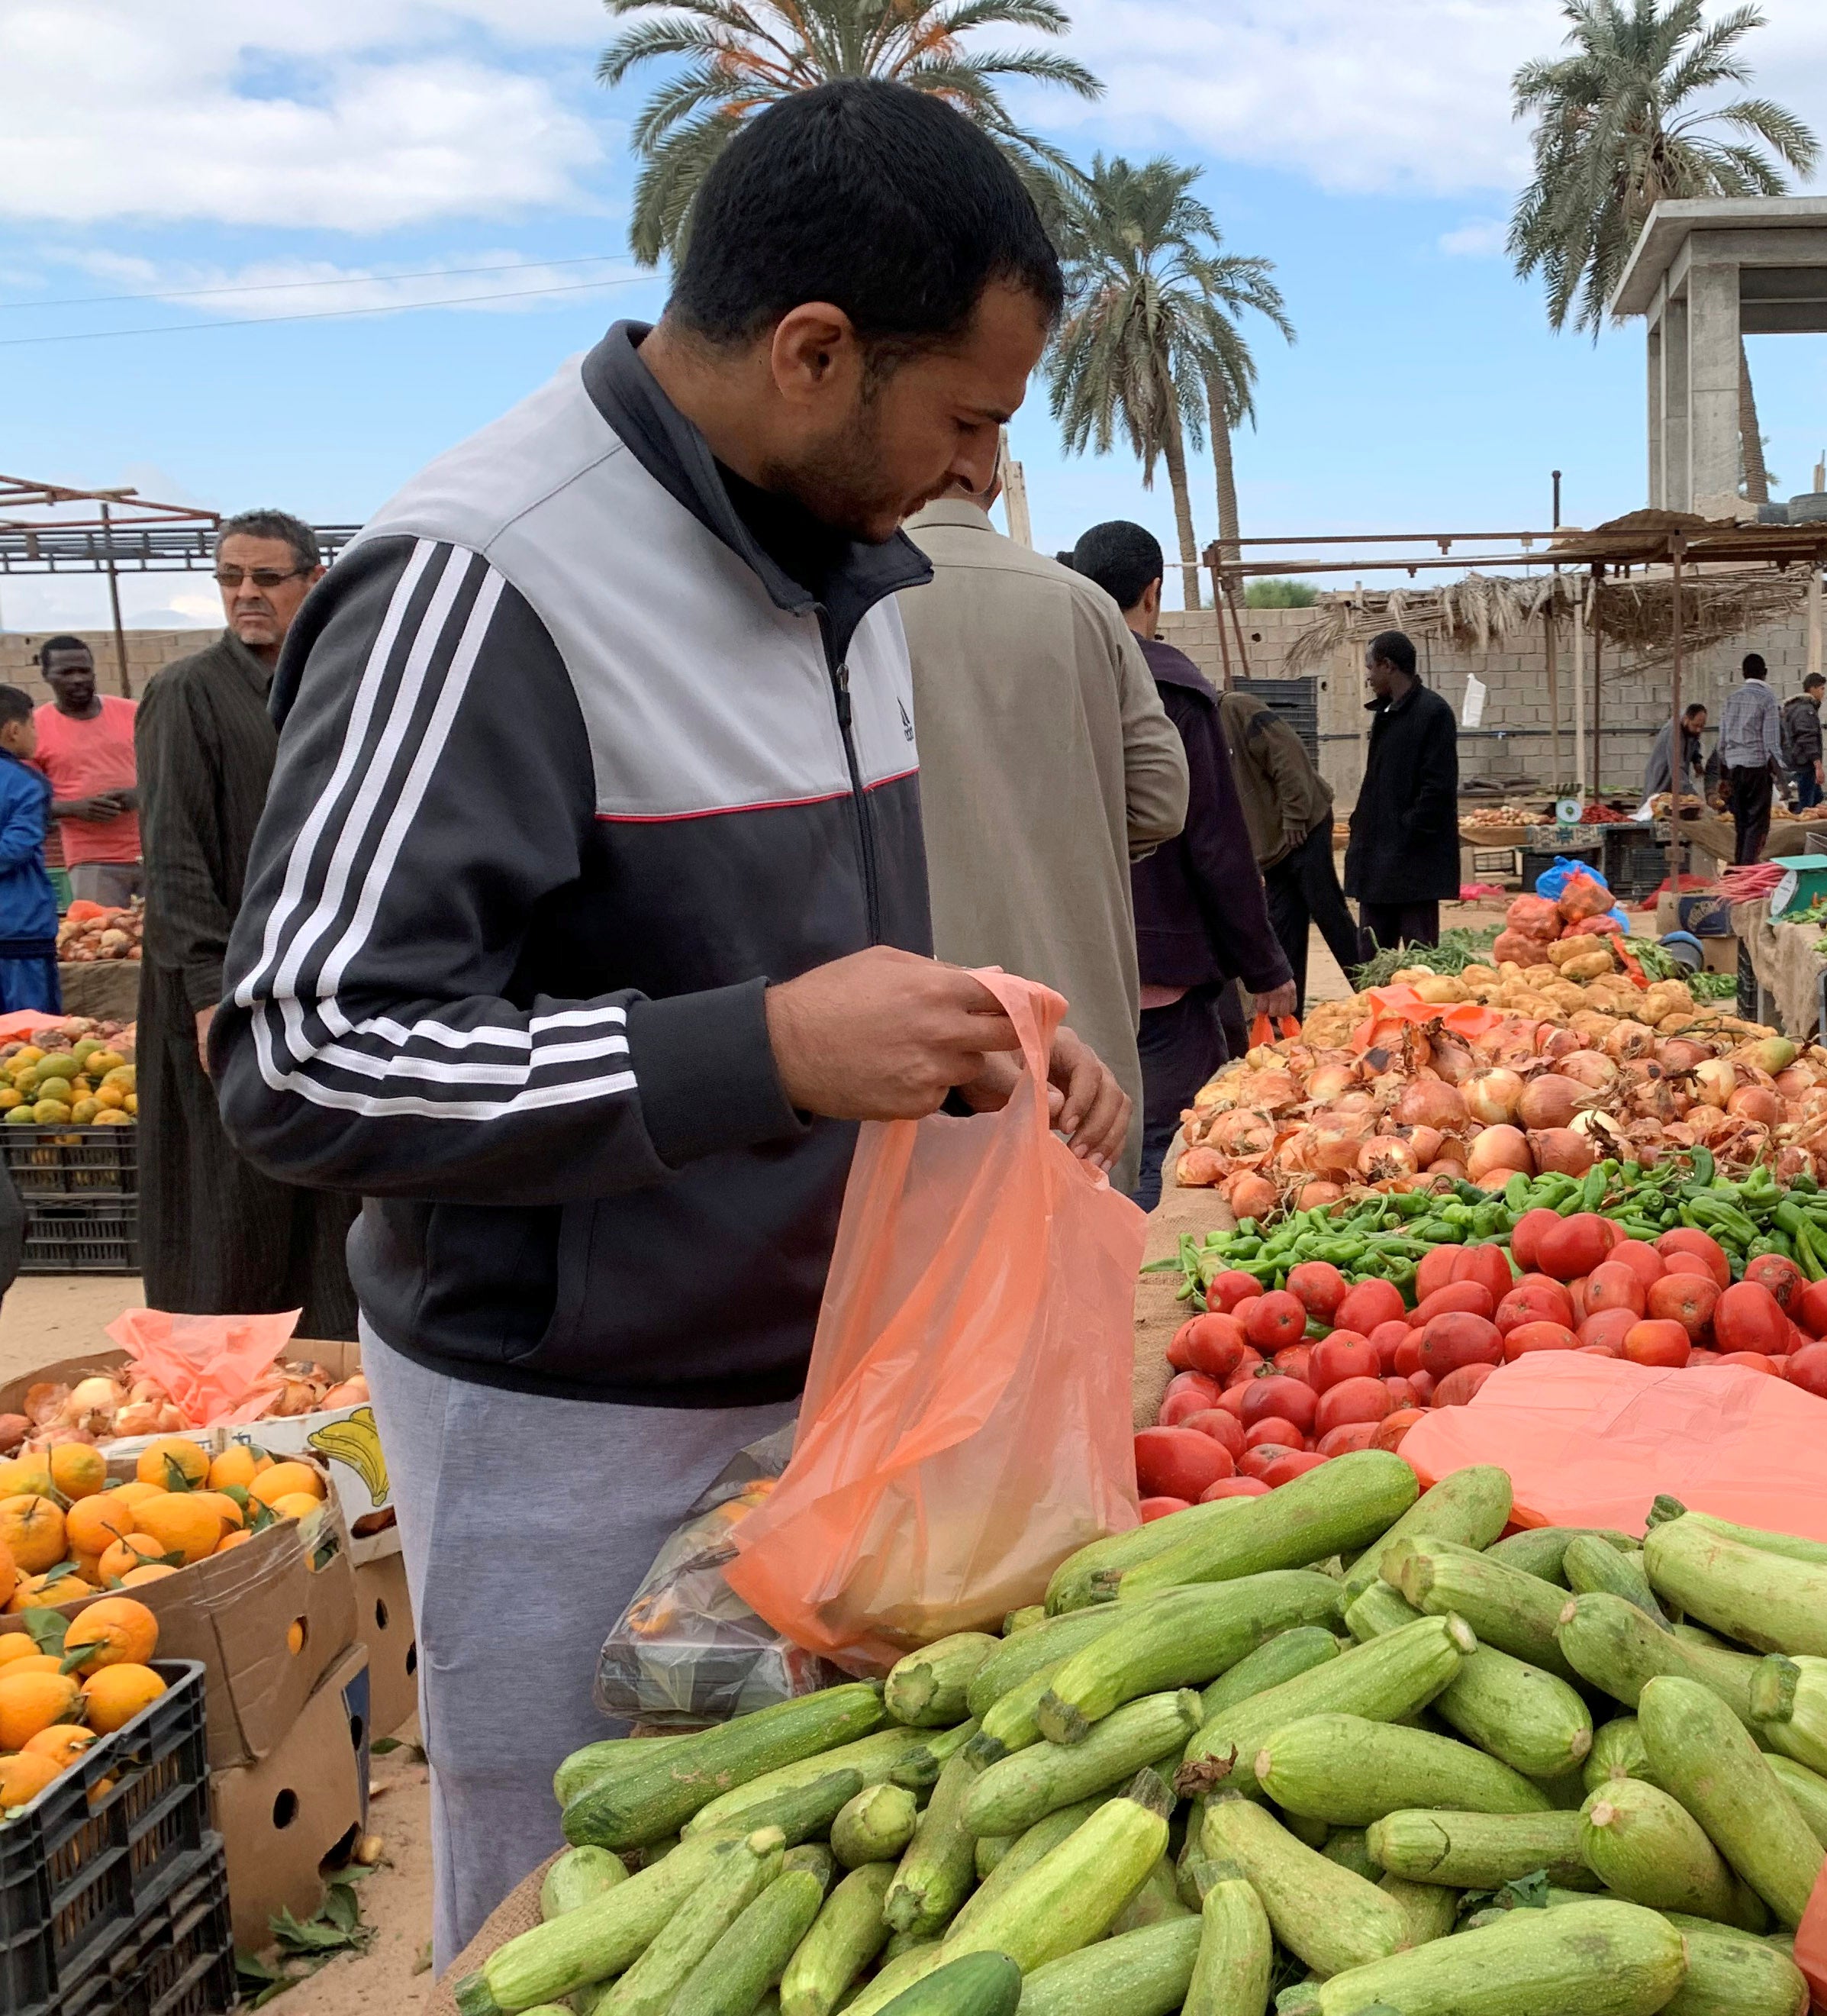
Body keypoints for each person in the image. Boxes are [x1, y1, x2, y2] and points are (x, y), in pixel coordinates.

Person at [214, 81, 1130, 1959]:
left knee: (793, 1914)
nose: (976, 474)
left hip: (818, 1391)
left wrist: (986, 1038)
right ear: (812, 353)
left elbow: (791, 941)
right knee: (580, 1917)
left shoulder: (842, 567)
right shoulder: (486, 579)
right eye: (967, 417)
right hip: (567, 1417)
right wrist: (762, 1054)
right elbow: (302, 1050)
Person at [903, 464, 1187, 1196]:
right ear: (993, 478)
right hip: (1078, 1053)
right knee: (1085, 1276)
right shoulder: (1083, 604)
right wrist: (1064, 834)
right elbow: (1161, 799)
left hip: (911, 1050)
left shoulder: (845, 600)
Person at [137, 510, 357, 1331]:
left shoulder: (337, 687)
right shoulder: (186, 692)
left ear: (314, 579)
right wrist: (205, 994)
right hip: (225, 990)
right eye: (231, 578)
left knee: (329, 1189)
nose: (246, 595)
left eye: (266, 578)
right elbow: (173, 857)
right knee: (231, 1200)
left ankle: (332, 1373)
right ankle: (225, 1392)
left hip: (321, 981)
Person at [1070, 521, 1294, 1207]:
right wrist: (1266, 968)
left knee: (1079, 1151)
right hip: (1160, 975)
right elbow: (1216, 845)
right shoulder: (1170, 690)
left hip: (1068, 971)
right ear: (1154, 591)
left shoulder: (1049, 680)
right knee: (1161, 1151)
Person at [1220, 685, 1367, 1009]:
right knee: (1284, 928)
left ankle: (1373, 993)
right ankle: (1289, 1019)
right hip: (1273, 848)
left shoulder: (1236, 708)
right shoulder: (1201, 731)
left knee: (1328, 912)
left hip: (1303, 828)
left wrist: (1295, 817)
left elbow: (1287, 756)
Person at [1343, 631, 1459, 955]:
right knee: (1372, 956)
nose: (1368, 678)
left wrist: (1408, 830)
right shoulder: (1385, 713)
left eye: (1371, 668)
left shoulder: (1432, 712)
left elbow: (1438, 787)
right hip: (1378, 860)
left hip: (1413, 863)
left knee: (1418, 959)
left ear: (1388, 666)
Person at [28, 638, 138, 908]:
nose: (78, 679)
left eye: (84, 670)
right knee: (101, 942)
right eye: (66, 673)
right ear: (46, 675)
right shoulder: (35, 729)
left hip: (155, 852)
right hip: (92, 862)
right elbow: (24, 803)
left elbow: (169, 770)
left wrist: (141, 794)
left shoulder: (132, 713)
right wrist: (76, 808)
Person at [0, 689, 56, 1014]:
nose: (36, 734)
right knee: (29, 1037)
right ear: (13, 730)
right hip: (18, 930)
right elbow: (15, 848)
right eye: (33, 724)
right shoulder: (26, 783)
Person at [1717, 653, 1782, 865]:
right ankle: (1747, 869)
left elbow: (1722, 742)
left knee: (1740, 823)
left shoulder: (1731, 699)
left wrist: (1724, 771)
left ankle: (1737, 868)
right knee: (1757, 824)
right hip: (1756, 768)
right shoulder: (1767, 699)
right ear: (1765, 673)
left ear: (1743, 673)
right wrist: (1782, 775)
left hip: (1734, 768)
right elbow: (1771, 743)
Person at [1642, 702, 1709, 802]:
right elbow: (1677, 769)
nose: (1699, 729)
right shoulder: (1674, 733)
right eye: (1696, 725)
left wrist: (1697, 761)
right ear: (1686, 719)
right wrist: (1693, 796)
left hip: (1675, 782)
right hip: (1662, 776)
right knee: (1656, 807)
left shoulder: (1690, 728)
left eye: (1702, 726)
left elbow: (1694, 740)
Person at [1782, 673, 1827, 811]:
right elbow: (1807, 738)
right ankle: (1798, 827)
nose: (1823, 693)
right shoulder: (1806, 710)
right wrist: (1817, 765)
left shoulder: (1795, 708)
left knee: (1817, 798)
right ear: (1812, 689)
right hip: (1804, 763)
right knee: (1806, 805)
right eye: (1822, 689)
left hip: (1799, 761)